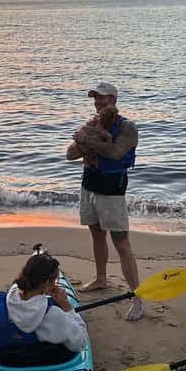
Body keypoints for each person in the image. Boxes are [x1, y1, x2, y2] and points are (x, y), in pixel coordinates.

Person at [66, 81, 142, 321]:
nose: (98, 102)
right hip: (88, 185)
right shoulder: (92, 125)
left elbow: (116, 153)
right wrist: (86, 137)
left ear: (114, 100)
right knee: (96, 235)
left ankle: (137, 298)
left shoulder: (127, 126)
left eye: (103, 98)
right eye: (96, 98)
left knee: (121, 243)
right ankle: (101, 278)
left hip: (111, 190)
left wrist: (86, 140)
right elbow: (70, 154)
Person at [0, 253, 88, 362]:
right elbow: (80, 343)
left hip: (8, 366)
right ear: (47, 284)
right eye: (55, 281)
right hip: (47, 367)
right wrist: (67, 307)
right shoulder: (54, 314)